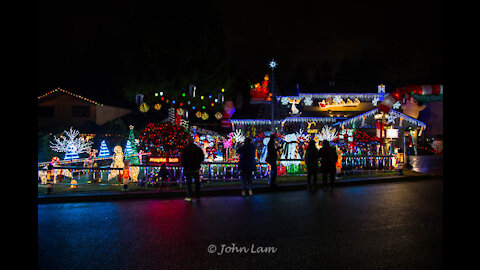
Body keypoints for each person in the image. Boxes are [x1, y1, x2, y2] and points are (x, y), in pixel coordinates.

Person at [181, 136, 205, 201]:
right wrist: (198, 163)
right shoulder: (197, 149)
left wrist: (184, 165)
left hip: (188, 168)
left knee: (188, 183)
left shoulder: (185, 149)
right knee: (197, 182)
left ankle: (189, 196)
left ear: (188, 141)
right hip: (196, 168)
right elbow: (202, 157)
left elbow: (183, 159)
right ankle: (197, 195)